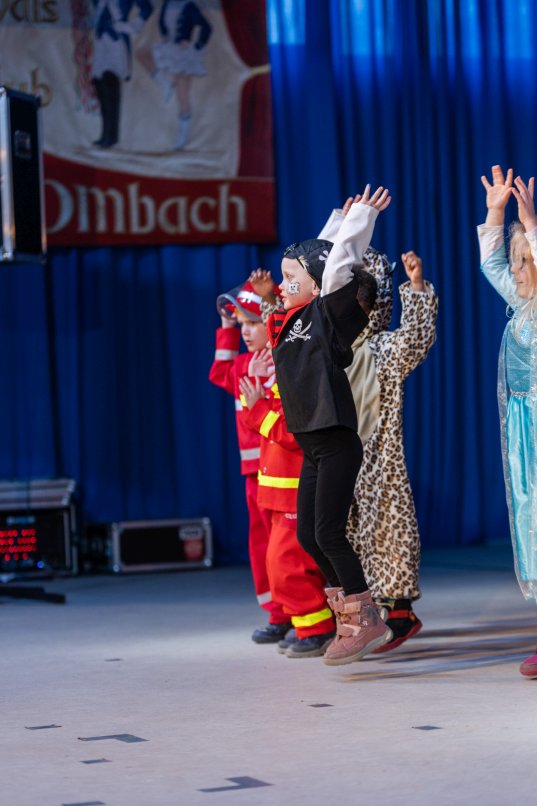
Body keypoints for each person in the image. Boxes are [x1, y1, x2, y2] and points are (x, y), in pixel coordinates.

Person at [266, 185, 393, 666]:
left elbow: (335, 264)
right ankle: (349, 616)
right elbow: (318, 256)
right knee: (308, 537)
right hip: (314, 447)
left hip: (336, 441)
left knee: (330, 533)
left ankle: (366, 619)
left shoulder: (326, 315)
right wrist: (337, 217)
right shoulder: (290, 319)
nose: (282, 285)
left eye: (290, 279)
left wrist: (359, 220)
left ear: (318, 287)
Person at [478, 164, 537, 679]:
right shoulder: (522, 306)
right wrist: (496, 214)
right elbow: (491, 265)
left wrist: (531, 227)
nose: (514, 273)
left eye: (524, 264)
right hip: (525, 437)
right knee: (530, 523)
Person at [209, 281, 290, 643]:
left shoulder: (283, 359)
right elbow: (218, 373)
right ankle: (277, 613)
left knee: (287, 544)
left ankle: (303, 609)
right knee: (263, 545)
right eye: (242, 323)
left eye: (253, 322)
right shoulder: (243, 364)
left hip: (284, 470)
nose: (246, 331)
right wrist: (226, 328)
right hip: (254, 475)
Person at [238, 360, 337, 658]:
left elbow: (294, 434)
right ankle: (309, 625)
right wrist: (258, 393)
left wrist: (258, 410)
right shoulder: (281, 376)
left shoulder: (302, 375)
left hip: (294, 492)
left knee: (287, 566)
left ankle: (318, 630)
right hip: (280, 493)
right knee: (283, 565)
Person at [137, 0, 212, 150]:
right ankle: (165, 84)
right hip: (169, 46)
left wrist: (197, 44)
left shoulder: (189, 5)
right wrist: (166, 36)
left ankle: (183, 133)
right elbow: (161, 23)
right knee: (142, 54)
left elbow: (207, 27)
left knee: (182, 95)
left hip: (183, 53)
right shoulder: (167, 3)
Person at [91, 0, 154, 148]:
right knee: (99, 84)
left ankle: (111, 136)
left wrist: (132, 26)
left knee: (110, 84)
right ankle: (105, 134)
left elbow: (147, 7)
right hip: (101, 40)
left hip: (117, 41)